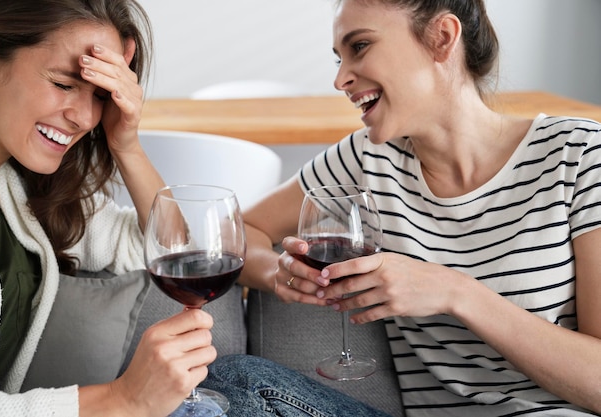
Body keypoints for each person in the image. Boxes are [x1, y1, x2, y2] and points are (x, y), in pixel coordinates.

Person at [236, 0, 601, 416]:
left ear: (441, 39)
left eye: (360, 46)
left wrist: (454, 292)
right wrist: (279, 273)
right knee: (237, 380)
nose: (340, 79)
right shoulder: (368, 159)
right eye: (339, 58)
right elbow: (241, 231)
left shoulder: (580, 155)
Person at [0, 1, 218, 416]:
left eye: (100, 96)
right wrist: (123, 400)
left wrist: (127, 143)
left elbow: (175, 253)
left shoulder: (18, 191)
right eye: (65, 84)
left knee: (249, 381)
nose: (85, 117)